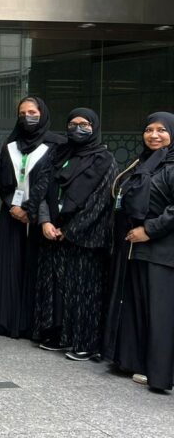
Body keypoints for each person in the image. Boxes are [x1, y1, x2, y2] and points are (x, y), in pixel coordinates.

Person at [34, 108, 116, 361]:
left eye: (84, 124)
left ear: (94, 126)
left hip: (84, 239)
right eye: (72, 124)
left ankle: (85, 342)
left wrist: (69, 231)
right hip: (53, 234)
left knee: (84, 292)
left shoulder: (105, 160)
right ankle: (59, 335)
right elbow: (42, 189)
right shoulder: (58, 154)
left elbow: (100, 202)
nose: (77, 128)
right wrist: (45, 221)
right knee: (58, 289)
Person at [104, 112, 174, 391]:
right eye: (148, 129)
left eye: (162, 130)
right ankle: (137, 361)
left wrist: (149, 230)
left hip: (163, 249)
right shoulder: (143, 163)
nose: (154, 135)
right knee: (140, 308)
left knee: (160, 312)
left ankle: (159, 372)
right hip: (136, 248)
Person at [0, 97, 62, 339]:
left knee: (34, 268)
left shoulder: (54, 144)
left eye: (32, 112)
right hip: (13, 215)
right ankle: (8, 321)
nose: (27, 117)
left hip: (39, 216)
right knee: (11, 267)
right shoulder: (10, 145)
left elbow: (48, 182)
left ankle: (32, 324)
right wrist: (13, 206)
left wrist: (30, 209)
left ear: (42, 114)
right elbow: (2, 180)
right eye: (22, 113)